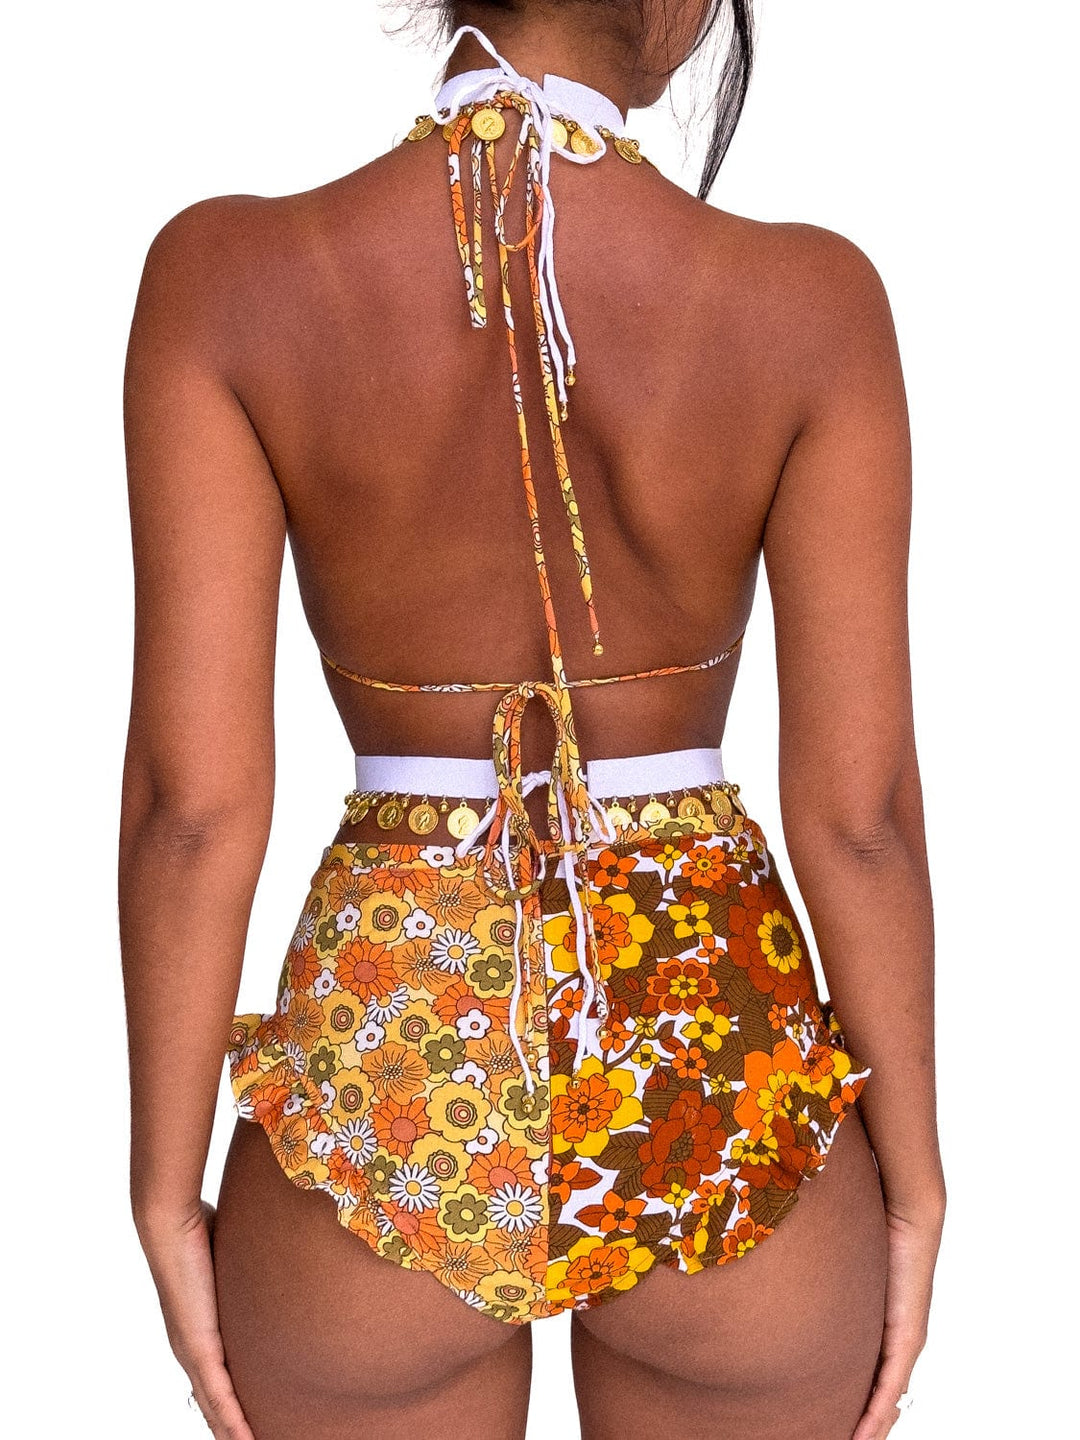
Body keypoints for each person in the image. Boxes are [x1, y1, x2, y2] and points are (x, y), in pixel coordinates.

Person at [119, 3, 945, 1437]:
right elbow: (860, 822)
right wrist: (916, 1181)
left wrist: (161, 1181)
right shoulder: (811, 301)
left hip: (390, 1062)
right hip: (714, 1059)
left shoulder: (227, 278)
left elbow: (191, 809)